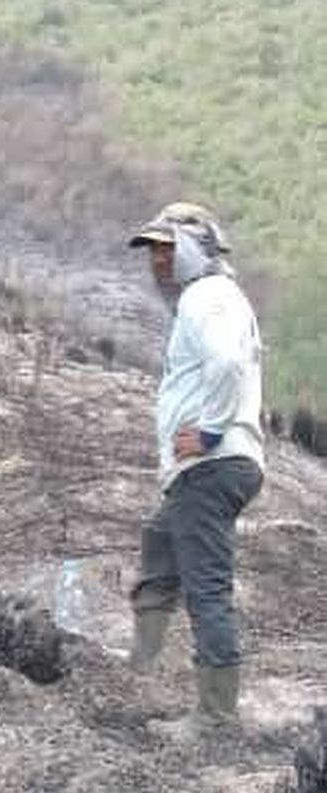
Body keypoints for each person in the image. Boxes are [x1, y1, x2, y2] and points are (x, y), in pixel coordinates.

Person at [126, 202, 265, 737]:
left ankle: (216, 715)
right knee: (160, 540)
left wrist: (208, 430)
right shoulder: (211, 297)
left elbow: (227, 363)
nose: (157, 260)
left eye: (167, 248)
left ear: (193, 248)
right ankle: (139, 667)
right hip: (212, 466)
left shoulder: (208, 296)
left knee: (207, 586)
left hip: (212, 461)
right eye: (153, 251)